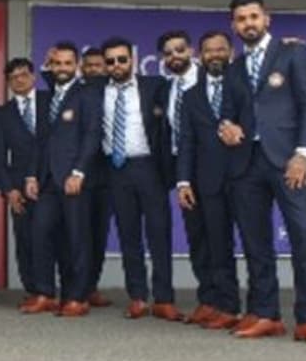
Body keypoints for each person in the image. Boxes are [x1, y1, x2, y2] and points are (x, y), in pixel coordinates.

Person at [221, 0, 306, 345]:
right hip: (246, 164)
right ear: (233, 25)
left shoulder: (292, 53)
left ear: (266, 19)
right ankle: (267, 314)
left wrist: (303, 153)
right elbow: (227, 113)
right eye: (241, 19)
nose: (248, 23)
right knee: (255, 244)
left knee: (301, 238)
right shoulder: (234, 67)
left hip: (288, 161)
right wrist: (227, 127)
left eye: (254, 16)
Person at [98, 37, 179, 320]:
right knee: (128, 235)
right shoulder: (96, 90)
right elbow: (60, 82)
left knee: (159, 235)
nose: (116, 65)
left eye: (122, 59)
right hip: (116, 170)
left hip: (149, 169)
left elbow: (188, 82)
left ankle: (164, 299)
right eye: (110, 61)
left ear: (132, 60)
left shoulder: (155, 86)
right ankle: (138, 297)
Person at [24, 44, 104, 317]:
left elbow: (93, 135)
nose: (61, 68)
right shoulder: (48, 97)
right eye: (56, 63)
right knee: (40, 233)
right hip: (47, 180)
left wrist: (79, 171)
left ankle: (77, 297)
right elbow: (40, 141)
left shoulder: (88, 94)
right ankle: (45, 293)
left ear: (77, 66)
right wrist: (32, 175)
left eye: (67, 63)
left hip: (74, 180)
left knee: (77, 239)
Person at [176, 31, 244, 330]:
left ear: (231, 52)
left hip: (243, 177)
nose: (215, 55)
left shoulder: (244, 86)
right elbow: (187, 141)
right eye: (208, 51)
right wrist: (183, 181)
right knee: (207, 244)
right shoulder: (191, 96)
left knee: (235, 245)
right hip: (206, 180)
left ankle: (231, 306)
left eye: (220, 49)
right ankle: (211, 301)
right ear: (199, 55)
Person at [159, 30, 217, 321]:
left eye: (179, 50)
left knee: (217, 236)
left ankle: (223, 301)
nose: (175, 56)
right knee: (196, 236)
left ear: (192, 51)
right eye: (168, 53)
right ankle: (207, 299)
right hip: (183, 170)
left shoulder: (211, 79)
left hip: (214, 169)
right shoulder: (169, 87)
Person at [0, 58, 39, 302]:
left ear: (33, 76)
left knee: (56, 237)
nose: (19, 80)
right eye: (13, 77)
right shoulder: (4, 113)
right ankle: (33, 290)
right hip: (19, 186)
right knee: (25, 239)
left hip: (52, 181)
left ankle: (65, 290)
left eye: (23, 74)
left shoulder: (49, 102)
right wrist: (9, 190)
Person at [77, 44, 112, 307]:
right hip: (81, 174)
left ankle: (92, 287)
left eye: (98, 65)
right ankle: (79, 287)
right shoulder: (76, 93)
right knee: (80, 233)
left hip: (110, 174)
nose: (93, 70)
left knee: (100, 234)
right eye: (88, 66)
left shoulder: (116, 92)